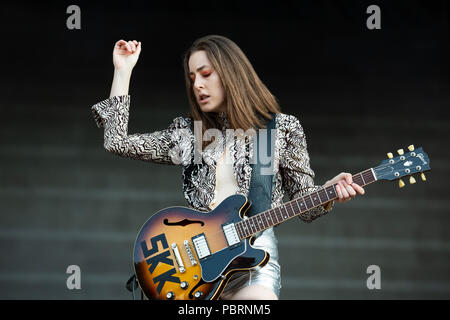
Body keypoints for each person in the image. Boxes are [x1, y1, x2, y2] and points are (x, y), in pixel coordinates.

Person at [91, 35, 365, 300]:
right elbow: (116, 141)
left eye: (206, 74)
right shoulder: (189, 133)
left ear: (231, 73)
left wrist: (329, 193)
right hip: (195, 265)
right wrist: (123, 71)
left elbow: (305, 205)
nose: (197, 84)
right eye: (192, 78)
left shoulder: (279, 130)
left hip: (254, 259)